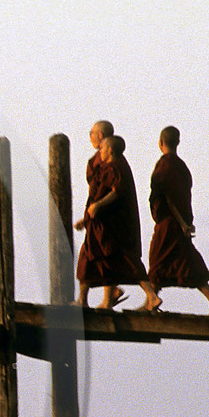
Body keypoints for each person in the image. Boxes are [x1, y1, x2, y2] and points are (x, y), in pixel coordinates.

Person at [75, 123, 161, 311]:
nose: (89, 137)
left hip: (112, 223)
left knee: (119, 258)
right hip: (99, 220)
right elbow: (98, 191)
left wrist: (97, 206)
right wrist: (87, 217)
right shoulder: (103, 162)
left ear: (102, 137)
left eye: (91, 133)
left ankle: (150, 296)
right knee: (94, 257)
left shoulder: (115, 165)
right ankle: (96, 298)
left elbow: (115, 191)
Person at [147, 126, 209, 316]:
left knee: (158, 259)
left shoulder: (164, 166)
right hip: (181, 221)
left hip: (170, 222)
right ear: (178, 142)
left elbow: (167, 197)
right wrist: (186, 221)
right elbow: (182, 196)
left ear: (160, 143)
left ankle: (151, 299)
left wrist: (182, 223)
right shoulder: (181, 167)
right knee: (186, 262)